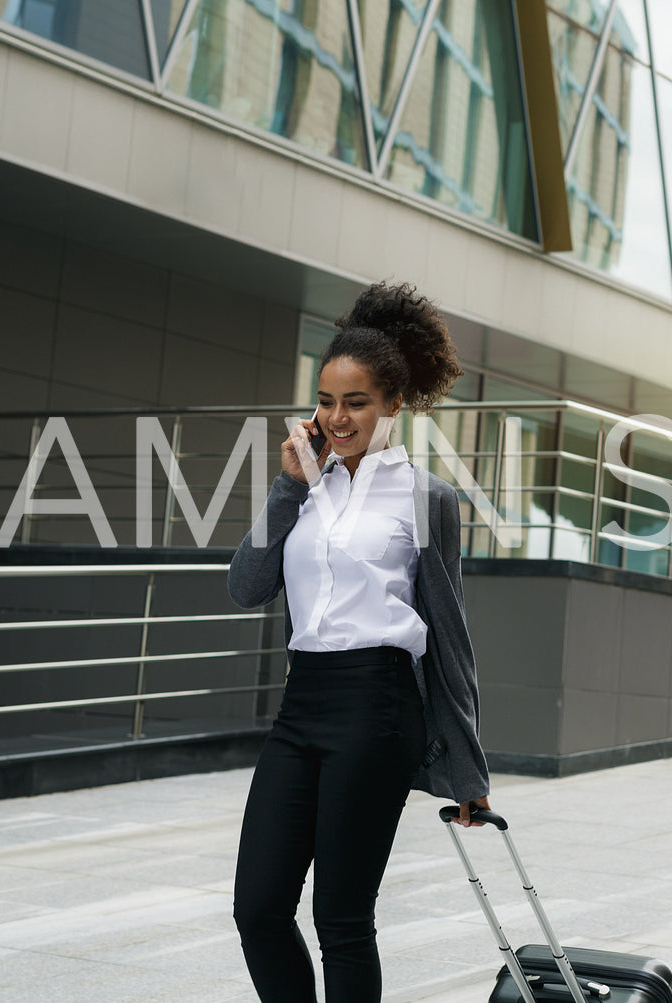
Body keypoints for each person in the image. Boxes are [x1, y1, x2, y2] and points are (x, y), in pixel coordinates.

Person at [226, 281, 491, 1002]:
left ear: (393, 404)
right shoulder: (303, 490)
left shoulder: (426, 498)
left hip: (377, 710)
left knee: (341, 919)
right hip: (301, 704)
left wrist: (466, 768)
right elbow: (246, 586)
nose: (336, 418)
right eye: (326, 400)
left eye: (356, 402)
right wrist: (284, 488)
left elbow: (450, 635)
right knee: (257, 909)